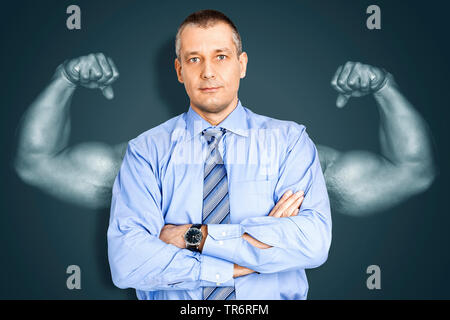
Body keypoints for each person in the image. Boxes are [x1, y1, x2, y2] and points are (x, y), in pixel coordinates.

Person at [107, 10, 333, 300]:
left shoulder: (289, 142)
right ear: (179, 71)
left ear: (242, 64)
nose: (208, 72)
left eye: (221, 57)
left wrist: (195, 236)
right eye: (194, 59)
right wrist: (243, 260)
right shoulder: (147, 151)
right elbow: (128, 262)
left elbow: (312, 244)